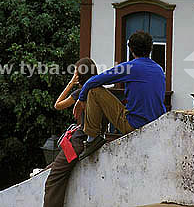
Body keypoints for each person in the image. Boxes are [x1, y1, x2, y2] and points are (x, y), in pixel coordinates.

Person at [74, 30, 166, 160]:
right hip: (156, 124)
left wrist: (81, 98)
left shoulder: (130, 67)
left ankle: (92, 138)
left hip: (134, 124)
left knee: (94, 91)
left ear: (131, 50)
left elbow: (92, 81)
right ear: (151, 48)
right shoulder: (159, 69)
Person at [43, 57, 98, 207]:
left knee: (53, 180)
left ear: (80, 75)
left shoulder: (81, 92)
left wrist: (71, 83)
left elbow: (58, 105)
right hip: (86, 139)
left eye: (75, 72)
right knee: (53, 168)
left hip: (77, 142)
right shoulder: (97, 89)